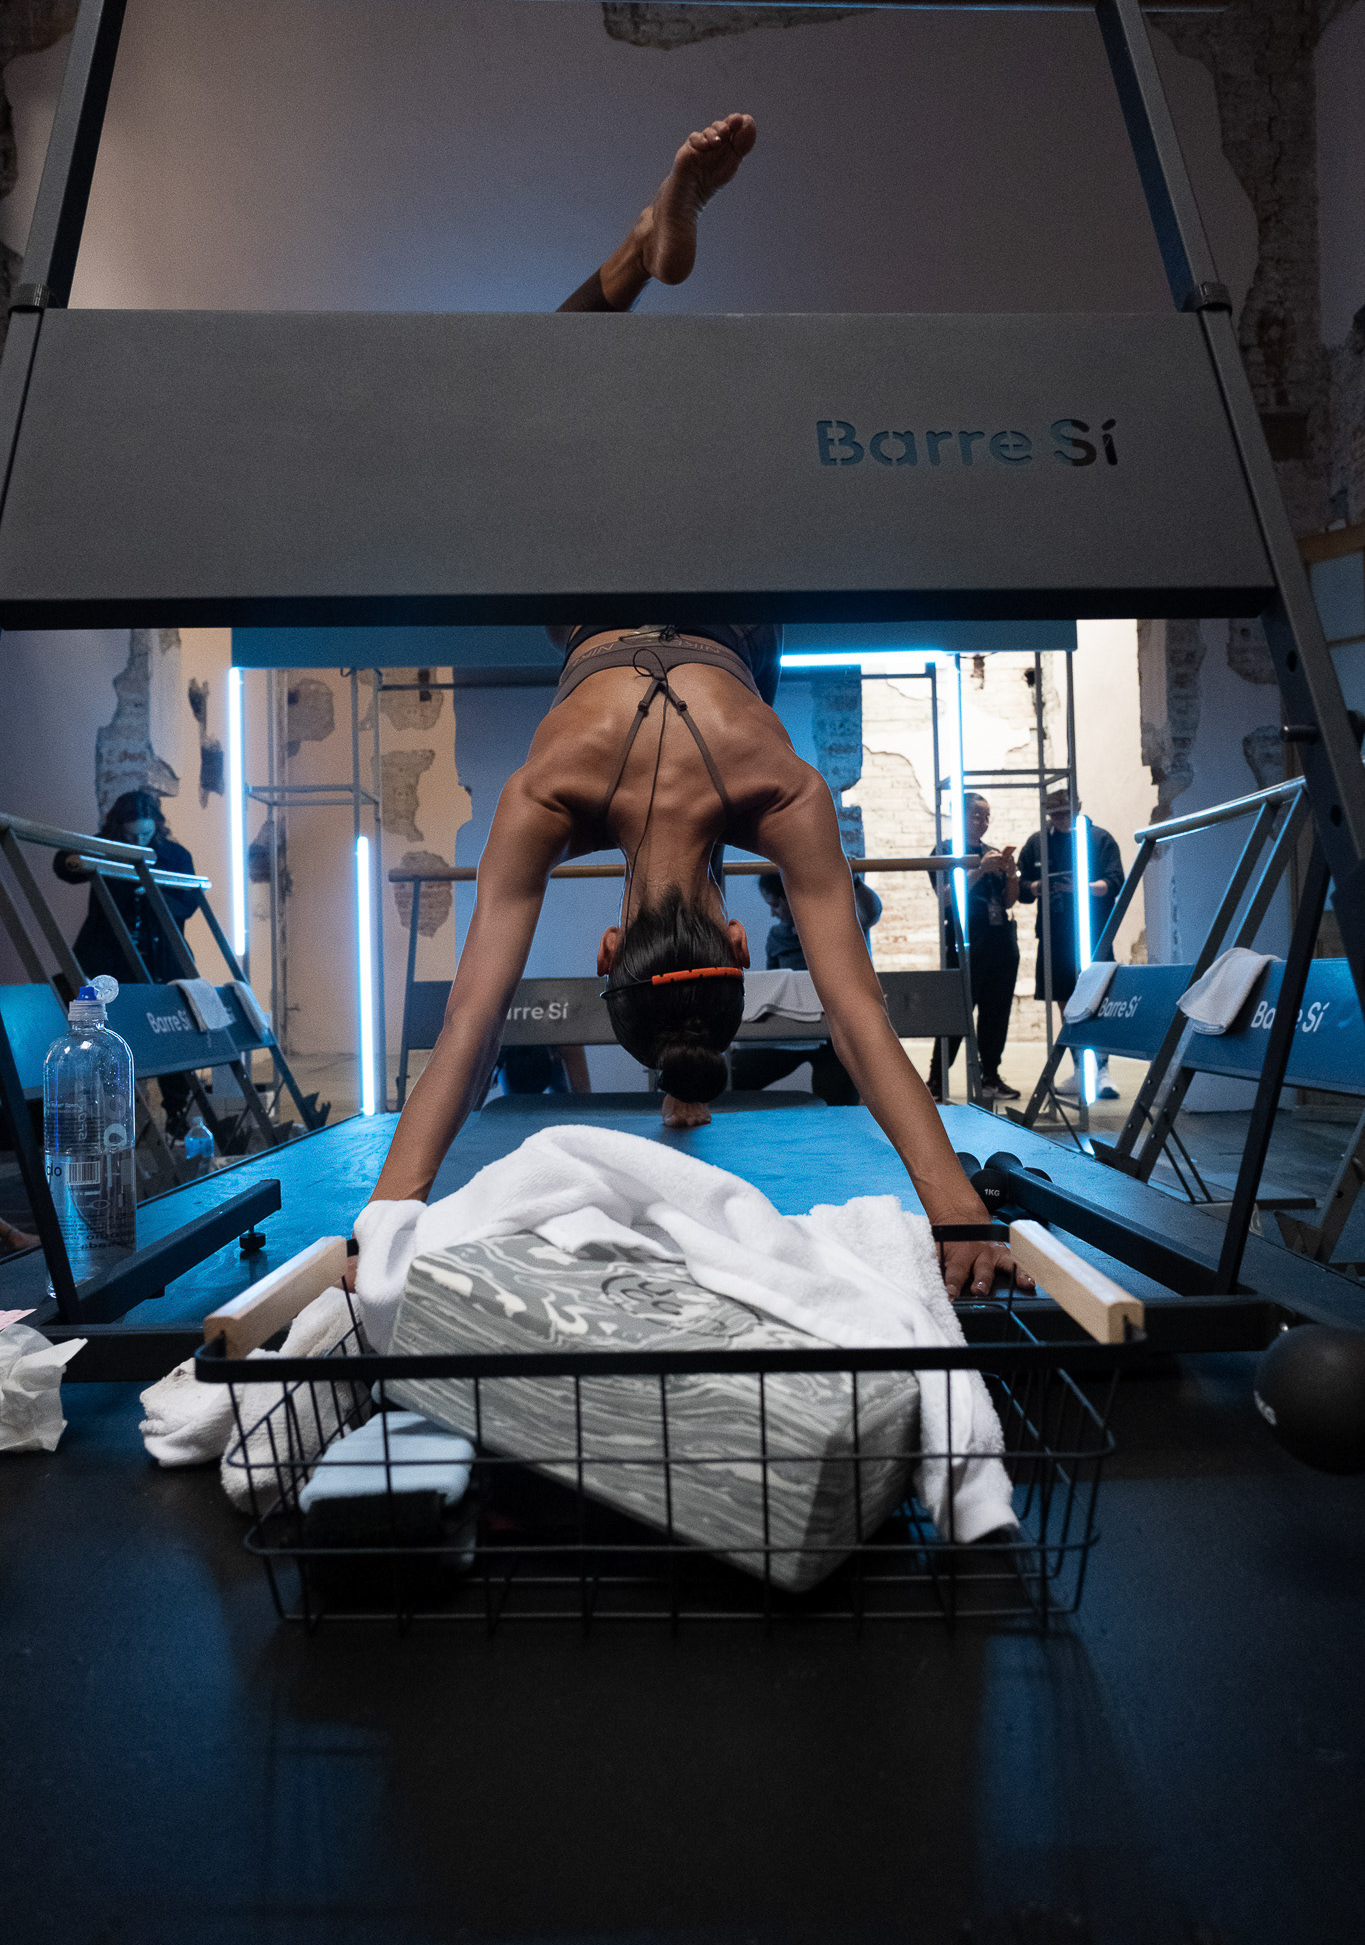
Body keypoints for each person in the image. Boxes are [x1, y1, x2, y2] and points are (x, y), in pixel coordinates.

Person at [363, 114, 1025, 1303]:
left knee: (541, 400)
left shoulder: (780, 790)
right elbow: (470, 1027)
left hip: (731, 570)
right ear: (608, 949)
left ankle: (637, 257)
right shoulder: (548, 792)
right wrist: (384, 1221)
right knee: (522, 395)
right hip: (597, 583)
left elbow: (856, 1015)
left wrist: (960, 1213)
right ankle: (629, 260)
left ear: (735, 944)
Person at [53, 789, 201, 1138]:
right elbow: (64, 865)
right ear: (119, 828)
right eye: (131, 836)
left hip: (162, 959)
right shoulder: (106, 847)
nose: (139, 841)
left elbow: (189, 902)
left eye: (145, 834)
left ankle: (177, 1114)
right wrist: (99, 850)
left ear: (157, 826)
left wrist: (154, 896)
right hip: (110, 959)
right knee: (107, 1034)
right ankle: (111, 1115)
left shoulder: (175, 855)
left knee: (172, 1035)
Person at [729, 871, 883, 1104]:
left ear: (792, 896)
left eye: (776, 905)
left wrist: (853, 879)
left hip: (834, 1033)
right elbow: (773, 984)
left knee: (837, 1104)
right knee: (733, 1077)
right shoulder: (777, 936)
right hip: (791, 1032)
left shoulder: (838, 925)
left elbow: (871, 913)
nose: (772, 913)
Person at [1017, 785, 1125, 1099]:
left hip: (1092, 934)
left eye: (1065, 813)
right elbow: (1022, 887)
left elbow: (1115, 881)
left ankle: (1102, 1070)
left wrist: (1081, 888)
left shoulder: (1099, 839)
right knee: (1067, 1003)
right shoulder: (1037, 843)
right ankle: (1080, 1069)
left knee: (1098, 1001)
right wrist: (1037, 887)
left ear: (1077, 807)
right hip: (1054, 937)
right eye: (1054, 814)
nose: (1060, 819)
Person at [927, 793, 1020, 1103]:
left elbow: (1009, 901)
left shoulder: (992, 852)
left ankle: (990, 1075)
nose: (983, 822)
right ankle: (937, 1080)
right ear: (961, 817)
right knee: (956, 1010)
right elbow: (945, 898)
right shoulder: (945, 851)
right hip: (966, 938)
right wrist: (979, 869)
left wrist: (1011, 873)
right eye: (976, 815)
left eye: (986, 816)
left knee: (997, 1012)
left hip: (1000, 938)